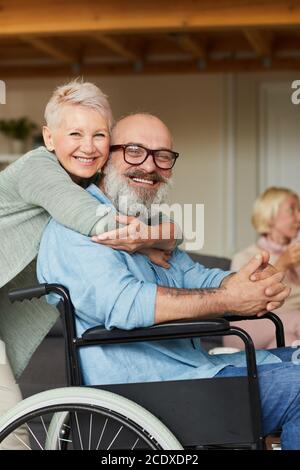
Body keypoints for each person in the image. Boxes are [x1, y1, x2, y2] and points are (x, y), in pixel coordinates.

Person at [38, 113, 300, 450]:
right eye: (134, 151)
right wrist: (229, 300)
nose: (149, 166)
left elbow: (195, 277)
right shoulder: (74, 226)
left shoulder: (150, 226)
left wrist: (249, 282)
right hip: (146, 387)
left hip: (194, 370)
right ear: (105, 158)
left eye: (163, 156)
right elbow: (124, 302)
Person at [0, 85, 179, 449]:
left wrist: (159, 236)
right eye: (75, 133)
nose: (88, 146)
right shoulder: (39, 169)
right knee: (12, 434)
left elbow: (168, 231)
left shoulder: (84, 183)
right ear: (49, 137)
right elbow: (96, 222)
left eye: (99, 134)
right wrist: (155, 239)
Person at [223, 187, 300, 350]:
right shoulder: (246, 257)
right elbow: (247, 303)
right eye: (292, 209)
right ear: (270, 216)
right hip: (248, 327)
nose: (299, 217)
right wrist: (283, 263)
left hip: (284, 330)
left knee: (289, 344)